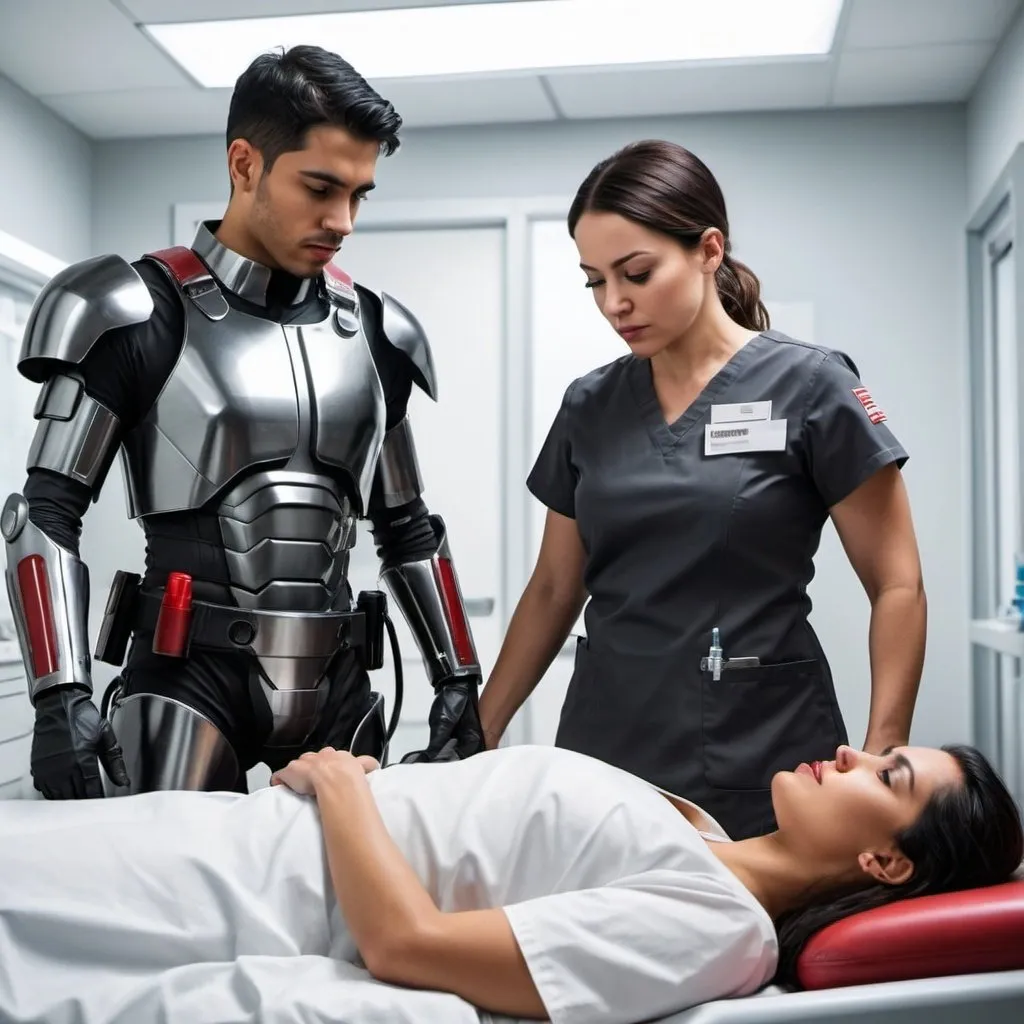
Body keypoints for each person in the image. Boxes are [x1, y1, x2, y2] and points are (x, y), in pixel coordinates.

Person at [1, 45, 485, 802]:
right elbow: (44, 512)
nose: (343, 220)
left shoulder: (377, 335)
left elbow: (408, 527)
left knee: (347, 917)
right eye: (321, 187)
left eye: (360, 194)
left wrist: (459, 676)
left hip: (340, 685)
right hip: (187, 680)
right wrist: (59, 695)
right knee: (171, 912)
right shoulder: (132, 310)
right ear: (245, 163)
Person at [477, 139, 927, 840]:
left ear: (708, 250)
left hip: (765, 748)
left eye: (636, 272)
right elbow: (553, 590)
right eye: (594, 281)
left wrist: (879, 754)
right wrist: (480, 729)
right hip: (607, 746)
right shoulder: (589, 406)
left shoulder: (811, 387)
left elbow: (897, 583)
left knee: (763, 944)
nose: (614, 303)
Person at [0, 740, 1019, 1024]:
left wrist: (345, 788)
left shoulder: (720, 932)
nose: (847, 751)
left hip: (262, 890)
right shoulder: (701, 839)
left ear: (886, 862)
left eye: (885, 774)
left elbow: (411, 949)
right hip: (249, 842)